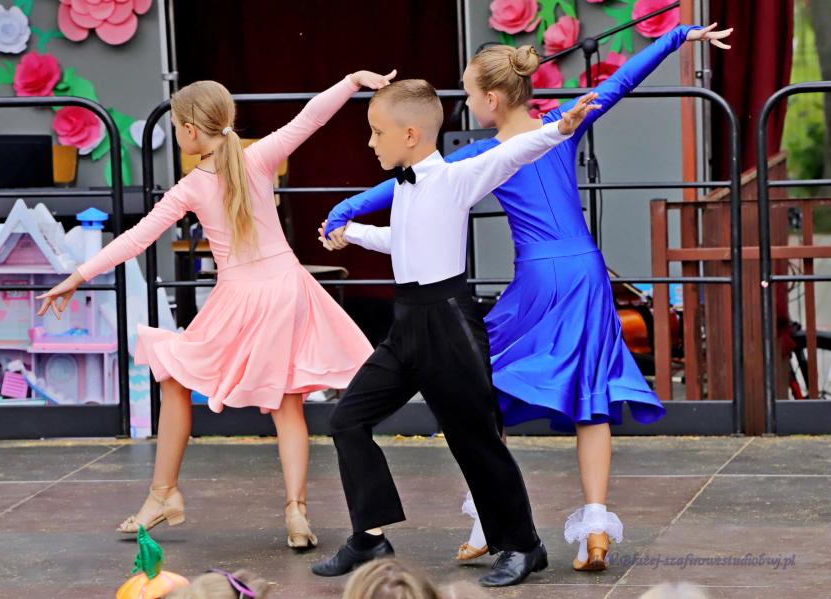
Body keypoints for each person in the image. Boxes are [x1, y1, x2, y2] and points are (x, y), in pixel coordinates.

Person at [320, 23, 732, 570]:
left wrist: (347, 209)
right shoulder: (558, 124)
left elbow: (401, 183)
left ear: (492, 99)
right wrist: (675, 37)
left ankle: (490, 523)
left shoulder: (485, 155)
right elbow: (620, 84)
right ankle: (593, 525)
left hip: (538, 277)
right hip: (584, 271)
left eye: (469, 93)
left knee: (478, 389)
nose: (466, 103)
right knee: (589, 393)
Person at [38, 70, 396, 549]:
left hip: (242, 297)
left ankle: (163, 493)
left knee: (174, 374)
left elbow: (136, 238)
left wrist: (76, 276)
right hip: (288, 290)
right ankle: (296, 512)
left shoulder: (192, 186)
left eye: (178, 128)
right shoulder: (259, 157)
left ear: (189, 130)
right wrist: (350, 81)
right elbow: (310, 117)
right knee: (287, 403)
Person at [311, 78, 599, 587]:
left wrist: (558, 130)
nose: (370, 143)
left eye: (377, 132)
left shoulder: (455, 177)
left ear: (410, 135)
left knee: (474, 438)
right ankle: (369, 536)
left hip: (447, 323)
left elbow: (511, 154)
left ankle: (523, 545)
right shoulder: (407, 185)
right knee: (347, 420)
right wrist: (350, 232)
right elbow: (405, 240)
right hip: (406, 324)